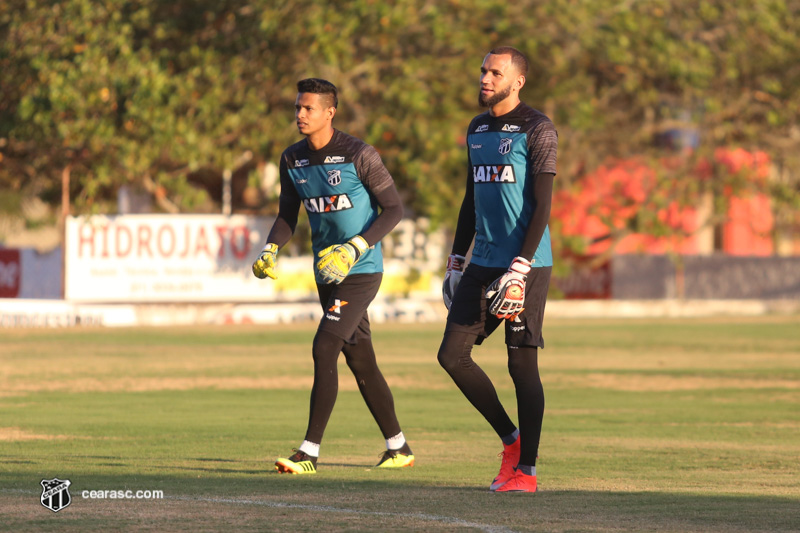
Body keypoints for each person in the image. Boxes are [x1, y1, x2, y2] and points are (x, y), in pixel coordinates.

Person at [252, 78, 413, 474]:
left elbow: (393, 210)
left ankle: (308, 453)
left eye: (308, 108)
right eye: (297, 108)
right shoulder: (292, 159)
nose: (300, 115)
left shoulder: (360, 153)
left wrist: (356, 246)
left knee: (324, 348)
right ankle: (399, 447)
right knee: (360, 361)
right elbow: (288, 216)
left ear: (330, 112)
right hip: (327, 274)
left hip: (360, 270)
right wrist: (271, 248)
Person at [438, 46, 557, 493]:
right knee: (451, 355)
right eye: (483, 70)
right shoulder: (477, 127)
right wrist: (455, 259)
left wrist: (520, 268)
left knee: (520, 364)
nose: (485, 78)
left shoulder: (537, 128)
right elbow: (471, 200)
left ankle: (526, 471)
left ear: (518, 80)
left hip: (525, 265)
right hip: (482, 260)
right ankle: (512, 441)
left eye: (495, 72)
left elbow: (543, 205)